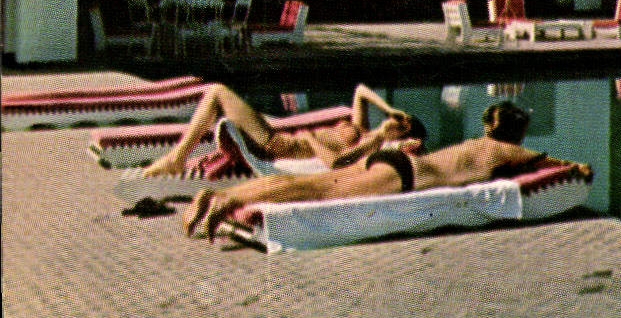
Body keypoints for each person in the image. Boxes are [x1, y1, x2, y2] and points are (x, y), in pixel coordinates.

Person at [182, 101, 581, 240]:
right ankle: (224, 201)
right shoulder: (506, 150)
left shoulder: (479, 142)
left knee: (307, 183)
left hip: (393, 161)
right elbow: (549, 162)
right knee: (317, 194)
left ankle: (222, 197)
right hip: (403, 176)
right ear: (514, 133)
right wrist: (575, 166)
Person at [137, 82, 424, 179]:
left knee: (217, 93)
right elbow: (360, 90)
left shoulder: (372, 144)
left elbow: (336, 163)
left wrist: (311, 139)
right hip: (277, 136)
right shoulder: (362, 128)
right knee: (221, 101)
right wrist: (388, 108)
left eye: (403, 124)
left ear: (402, 134)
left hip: (277, 145)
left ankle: (177, 158)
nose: (397, 122)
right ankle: (180, 156)